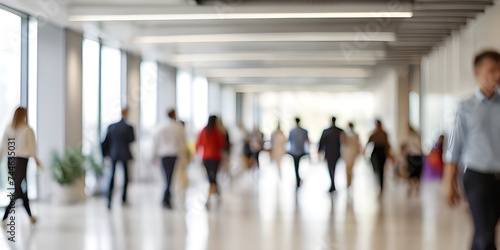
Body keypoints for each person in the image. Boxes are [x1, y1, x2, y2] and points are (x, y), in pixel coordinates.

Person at [445, 50, 500, 250]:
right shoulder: (465, 107)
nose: (496, 75)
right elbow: (454, 148)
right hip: (477, 178)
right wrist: (449, 183)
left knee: (484, 231)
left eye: (499, 70)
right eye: (491, 70)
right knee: (486, 236)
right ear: (477, 72)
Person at [0, 107, 43, 227]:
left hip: (11, 161)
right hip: (21, 161)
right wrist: (36, 159)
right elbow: (32, 147)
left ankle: (29, 216)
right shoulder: (26, 130)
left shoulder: (10, 128)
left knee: (19, 189)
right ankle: (5, 217)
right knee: (18, 189)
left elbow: (3, 147)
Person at [152, 109, 187, 209]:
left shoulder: (161, 126)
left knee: (167, 177)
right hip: (173, 154)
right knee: (169, 177)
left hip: (163, 155)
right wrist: (184, 156)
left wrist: (153, 155)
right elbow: (182, 142)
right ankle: (166, 197)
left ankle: (166, 197)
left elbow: (156, 142)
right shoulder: (178, 127)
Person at [103, 108, 135, 209]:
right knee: (126, 176)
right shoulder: (128, 127)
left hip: (114, 154)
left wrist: (106, 154)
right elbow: (132, 139)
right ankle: (123, 198)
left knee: (112, 176)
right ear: (127, 113)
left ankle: (109, 199)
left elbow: (105, 142)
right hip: (124, 154)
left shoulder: (112, 126)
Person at [196, 115, 227, 207]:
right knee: (212, 178)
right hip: (215, 157)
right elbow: (223, 144)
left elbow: (198, 144)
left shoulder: (204, 131)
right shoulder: (217, 131)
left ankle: (216, 194)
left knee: (211, 177)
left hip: (206, 158)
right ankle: (210, 198)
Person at [318, 117, 345, 193]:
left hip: (329, 153)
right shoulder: (340, 131)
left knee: (330, 168)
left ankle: (332, 183)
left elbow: (321, 142)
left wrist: (319, 151)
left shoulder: (326, 131)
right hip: (336, 153)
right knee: (334, 168)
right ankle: (333, 183)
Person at [366, 119, 391, 194]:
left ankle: (381, 185)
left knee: (381, 169)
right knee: (377, 169)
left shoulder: (383, 134)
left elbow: (387, 144)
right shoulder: (374, 134)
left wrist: (388, 153)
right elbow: (368, 142)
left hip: (381, 152)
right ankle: (379, 184)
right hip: (376, 152)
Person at [288, 117, 310, 188]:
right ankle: (298, 178)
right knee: (298, 165)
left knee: (296, 165)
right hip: (301, 150)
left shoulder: (292, 131)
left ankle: (297, 178)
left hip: (294, 151)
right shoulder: (304, 131)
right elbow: (307, 140)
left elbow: (290, 141)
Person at [403, 125, 423, 196]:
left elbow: (407, 148)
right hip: (417, 156)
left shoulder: (411, 137)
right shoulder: (417, 136)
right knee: (415, 174)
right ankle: (414, 187)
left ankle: (412, 188)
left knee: (412, 173)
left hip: (413, 156)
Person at [342, 122, 360, 188]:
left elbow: (357, 145)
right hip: (349, 154)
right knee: (348, 168)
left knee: (349, 168)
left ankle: (349, 181)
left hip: (350, 154)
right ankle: (349, 181)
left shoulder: (349, 134)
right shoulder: (347, 134)